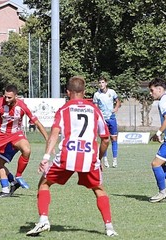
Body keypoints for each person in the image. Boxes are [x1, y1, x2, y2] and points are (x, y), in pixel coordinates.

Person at [26, 76, 118, 237]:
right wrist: (99, 157)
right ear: (84, 92)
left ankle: (43, 220)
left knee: (44, 184)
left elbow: (54, 134)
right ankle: (109, 227)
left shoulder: (64, 110)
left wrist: (46, 157)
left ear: (68, 92)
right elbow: (105, 138)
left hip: (67, 156)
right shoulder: (94, 110)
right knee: (99, 189)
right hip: (89, 157)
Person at [0, 91, 21, 198]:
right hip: (6, 141)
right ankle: (13, 182)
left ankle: (5, 189)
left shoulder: (7, 110)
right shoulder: (0, 113)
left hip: (11, 142)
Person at [148, 77, 166, 203]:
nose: (150, 93)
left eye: (152, 90)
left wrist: (158, 133)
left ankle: (162, 192)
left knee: (155, 164)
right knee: (161, 163)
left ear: (159, 89)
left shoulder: (163, 101)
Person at [93, 76, 121, 168]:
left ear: (106, 83)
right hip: (103, 119)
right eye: (100, 83)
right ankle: (104, 159)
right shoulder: (96, 94)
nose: (101, 84)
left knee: (114, 138)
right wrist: (98, 114)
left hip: (112, 118)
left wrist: (116, 108)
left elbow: (118, 101)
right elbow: (96, 107)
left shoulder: (112, 92)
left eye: (102, 82)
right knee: (104, 140)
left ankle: (115, 160)